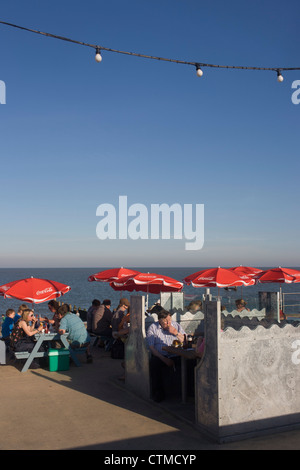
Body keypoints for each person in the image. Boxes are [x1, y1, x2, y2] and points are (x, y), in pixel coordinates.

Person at [146, 309, 186, 402]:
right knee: (154, 364)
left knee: (190, 363)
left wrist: (176, 333)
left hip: (176, 354)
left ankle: (188, 391)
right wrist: (164, 359)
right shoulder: (153, 328)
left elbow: (185, 340)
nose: (168, 323)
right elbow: (152, 347)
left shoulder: (175, 325)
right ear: (160, 320)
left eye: (170, 320)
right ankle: (158, 393)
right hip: (161, 355)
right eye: (166, 321)